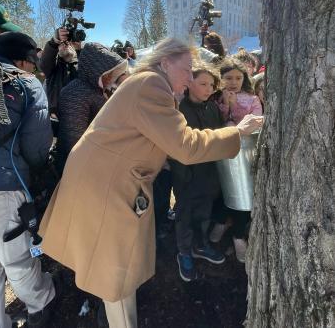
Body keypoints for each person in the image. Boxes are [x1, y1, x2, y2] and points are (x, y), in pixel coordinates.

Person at [40, 38, 262, 328]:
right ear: (165, 62)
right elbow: (185, 145)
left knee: (113, 267)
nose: (190, 77)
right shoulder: (151, 85)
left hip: (107, 180)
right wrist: (238, 132)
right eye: (186, 70)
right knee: (113, 273)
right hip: (108, 185)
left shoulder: (150, 84)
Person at [0, 32, 56, 328]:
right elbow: (36, 146)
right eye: (32, 62)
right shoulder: (23, 81)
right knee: (17, 256)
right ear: (22, 59)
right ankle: (40, 304)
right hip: (6, 187)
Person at [170, 65, 226, 282]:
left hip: (209, 172)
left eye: (211, 85)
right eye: (203, 83)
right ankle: (184, 252)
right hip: (186, 173)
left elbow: (220, 135)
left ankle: (200, 244)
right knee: (185, 214)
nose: (208, 89)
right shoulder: (178, 109)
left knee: (204, 211)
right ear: (189, 83)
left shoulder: (212, 108)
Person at [212, 57, 263, 261]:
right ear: (220, 79)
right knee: (224, 192)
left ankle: (238, 236)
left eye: (238, 78)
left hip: (247, 154)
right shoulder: (216, 100)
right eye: (228, 78)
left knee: (245, 194)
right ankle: (221, 221)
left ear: (245, 79)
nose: (233, 82)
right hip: (223, 155)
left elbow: (257, 124)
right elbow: (220, 124)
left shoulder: (252, 100)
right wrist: (227, 105)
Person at [55, 43, 128, 174]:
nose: (111, 78)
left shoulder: (96, 89)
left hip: (96, 159)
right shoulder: (75, 93)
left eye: (112, 74)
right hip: (79, 167)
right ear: (95, 70)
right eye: (108, 74)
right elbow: (74, 141)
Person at [40, 27, 79, 116]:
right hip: (56, 115)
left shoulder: (81, 65)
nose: (65, 45)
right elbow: (44, 64)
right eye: (61, 44)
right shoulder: (53, 67)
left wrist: (80, 49)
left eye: (68, 43)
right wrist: (54, 42)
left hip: (77, 114)